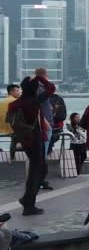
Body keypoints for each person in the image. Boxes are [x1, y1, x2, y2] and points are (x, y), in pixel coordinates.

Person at [9, 77, 46, 215]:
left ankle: (28, 200)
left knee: (36, 170)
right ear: (35, 88)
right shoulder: (33, 101)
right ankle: (28, 202)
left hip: (24, 139)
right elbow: (51, 89)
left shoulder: (16, 103)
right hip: (35, 138)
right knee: (37, 171)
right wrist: (39, 76)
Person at [0, 84, 21, 163]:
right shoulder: (15, 101)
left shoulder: (1, 102)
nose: (19, 93)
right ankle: (13, 158)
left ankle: (12, 158)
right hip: (14, 127)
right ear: (11, 92)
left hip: (3, 127)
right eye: (17, 91)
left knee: (14, 140)